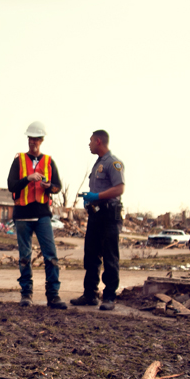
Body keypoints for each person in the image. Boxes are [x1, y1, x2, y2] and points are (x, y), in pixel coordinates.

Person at [7, 120, 66, 309]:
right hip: (23, 214)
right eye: (30, 139)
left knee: (51, 256)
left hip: (42, 214)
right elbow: (11, 185)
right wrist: (28, 178)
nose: (32, 142)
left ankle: (53, 295)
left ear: (41, 140)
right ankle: (26, 294)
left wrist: (50, 186)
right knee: (25, 256)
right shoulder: (19, 160)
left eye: (36, 139)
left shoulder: (49, 161)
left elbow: (57, 186)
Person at [71, 130, 125, 312]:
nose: (89, 144)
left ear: (98, 141)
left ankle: (109, 296)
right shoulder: (98, 164)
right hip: (96, 214)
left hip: (110, 214)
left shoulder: (113, 163)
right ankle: (90, 294)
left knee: (110, 255)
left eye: (91, 141)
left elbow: (119, 188)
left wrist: (98, 195)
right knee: (91, 255)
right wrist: (90, 198)